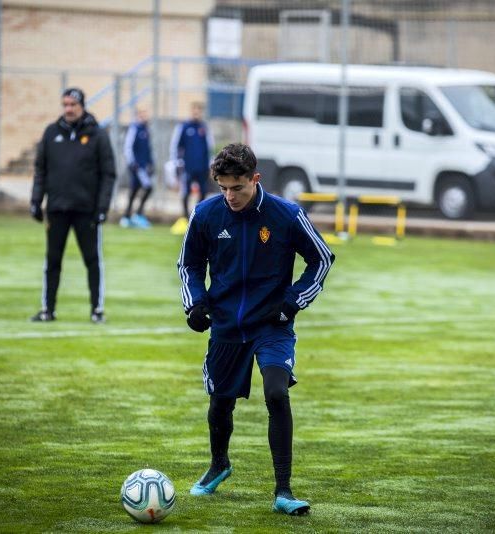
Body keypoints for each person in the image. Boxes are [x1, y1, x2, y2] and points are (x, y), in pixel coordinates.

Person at [177, 143, 334, 516]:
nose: (230, 196)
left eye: (238, 188)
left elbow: (322, 259)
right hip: (227, 324)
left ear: (255, 179)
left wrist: (293, 301)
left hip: (272, 325)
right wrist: (195, 303)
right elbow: (189, 265)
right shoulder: (205, 215)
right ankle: (219, 464)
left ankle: (283, 490)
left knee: (277, 393)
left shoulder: (286, 214)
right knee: (220, 404)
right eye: (223, 188)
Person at [29, 87, 116, 323]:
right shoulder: (51, 133)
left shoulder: (97, 135)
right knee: (53, 260)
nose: (68, 109)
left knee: (92, 261)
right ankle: (48, 310)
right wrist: (36, 201)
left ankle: (96, 310)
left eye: (72, 105)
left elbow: (108, 174)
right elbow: (40, 170)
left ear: (82, 106)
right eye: (65, 105)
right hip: (56, 209)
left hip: (86, 211)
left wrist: (102, 208)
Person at [170, 102, 215, 226]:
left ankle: (197, 216)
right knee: (186, 192)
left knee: (203, 192)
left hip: (202, 166)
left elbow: (210, 148)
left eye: (199, 110)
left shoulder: (204, 128)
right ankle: (185, 217)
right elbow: (175, 147)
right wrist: (176, 164)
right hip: (187, 167)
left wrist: (211, 165)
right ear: (191, 111)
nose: (196, 113)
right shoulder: (183, 127)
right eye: (194, 110)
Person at [121, 108, 154, 229]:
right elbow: (128, 147)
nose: (145, 116)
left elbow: (148, 149)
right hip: (138, 166)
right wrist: (132, 163)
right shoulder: (134, 128)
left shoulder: (146, 129)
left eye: (146, 113)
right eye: (142, 114)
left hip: (144, 166)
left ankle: (126, 216)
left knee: (134, 190)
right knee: (148, 187)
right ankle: (137, 215)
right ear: (138, 115)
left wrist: (151, 163)